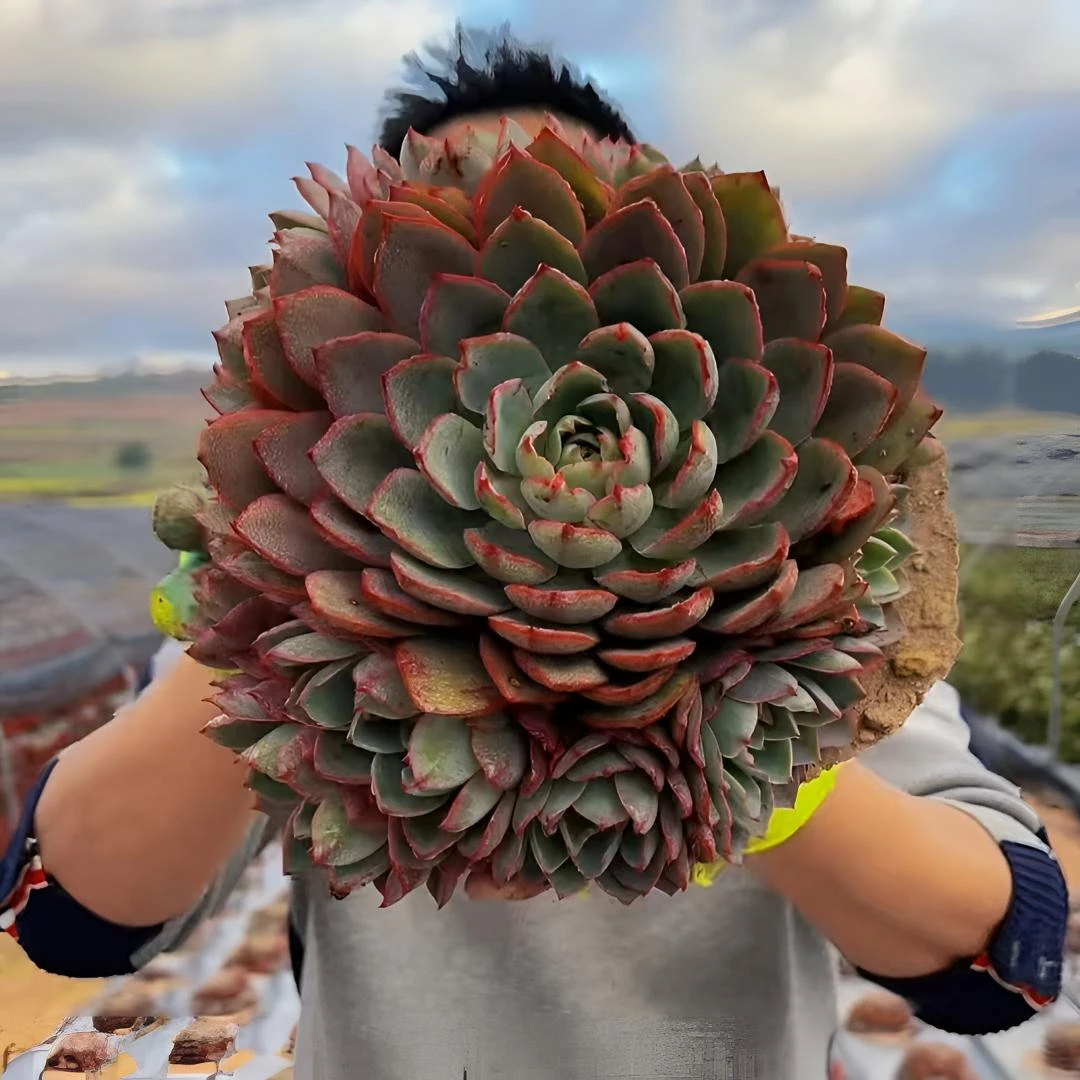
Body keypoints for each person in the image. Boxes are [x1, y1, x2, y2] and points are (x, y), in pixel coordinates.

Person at [1, 27, 1068, 1080]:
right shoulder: (298, 563)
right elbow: (71, 919)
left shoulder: (813, 554)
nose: (510, 229)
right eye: (450, 207)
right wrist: (262, 616)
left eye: (566, 195)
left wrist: (754, 763)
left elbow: (1000, 962)